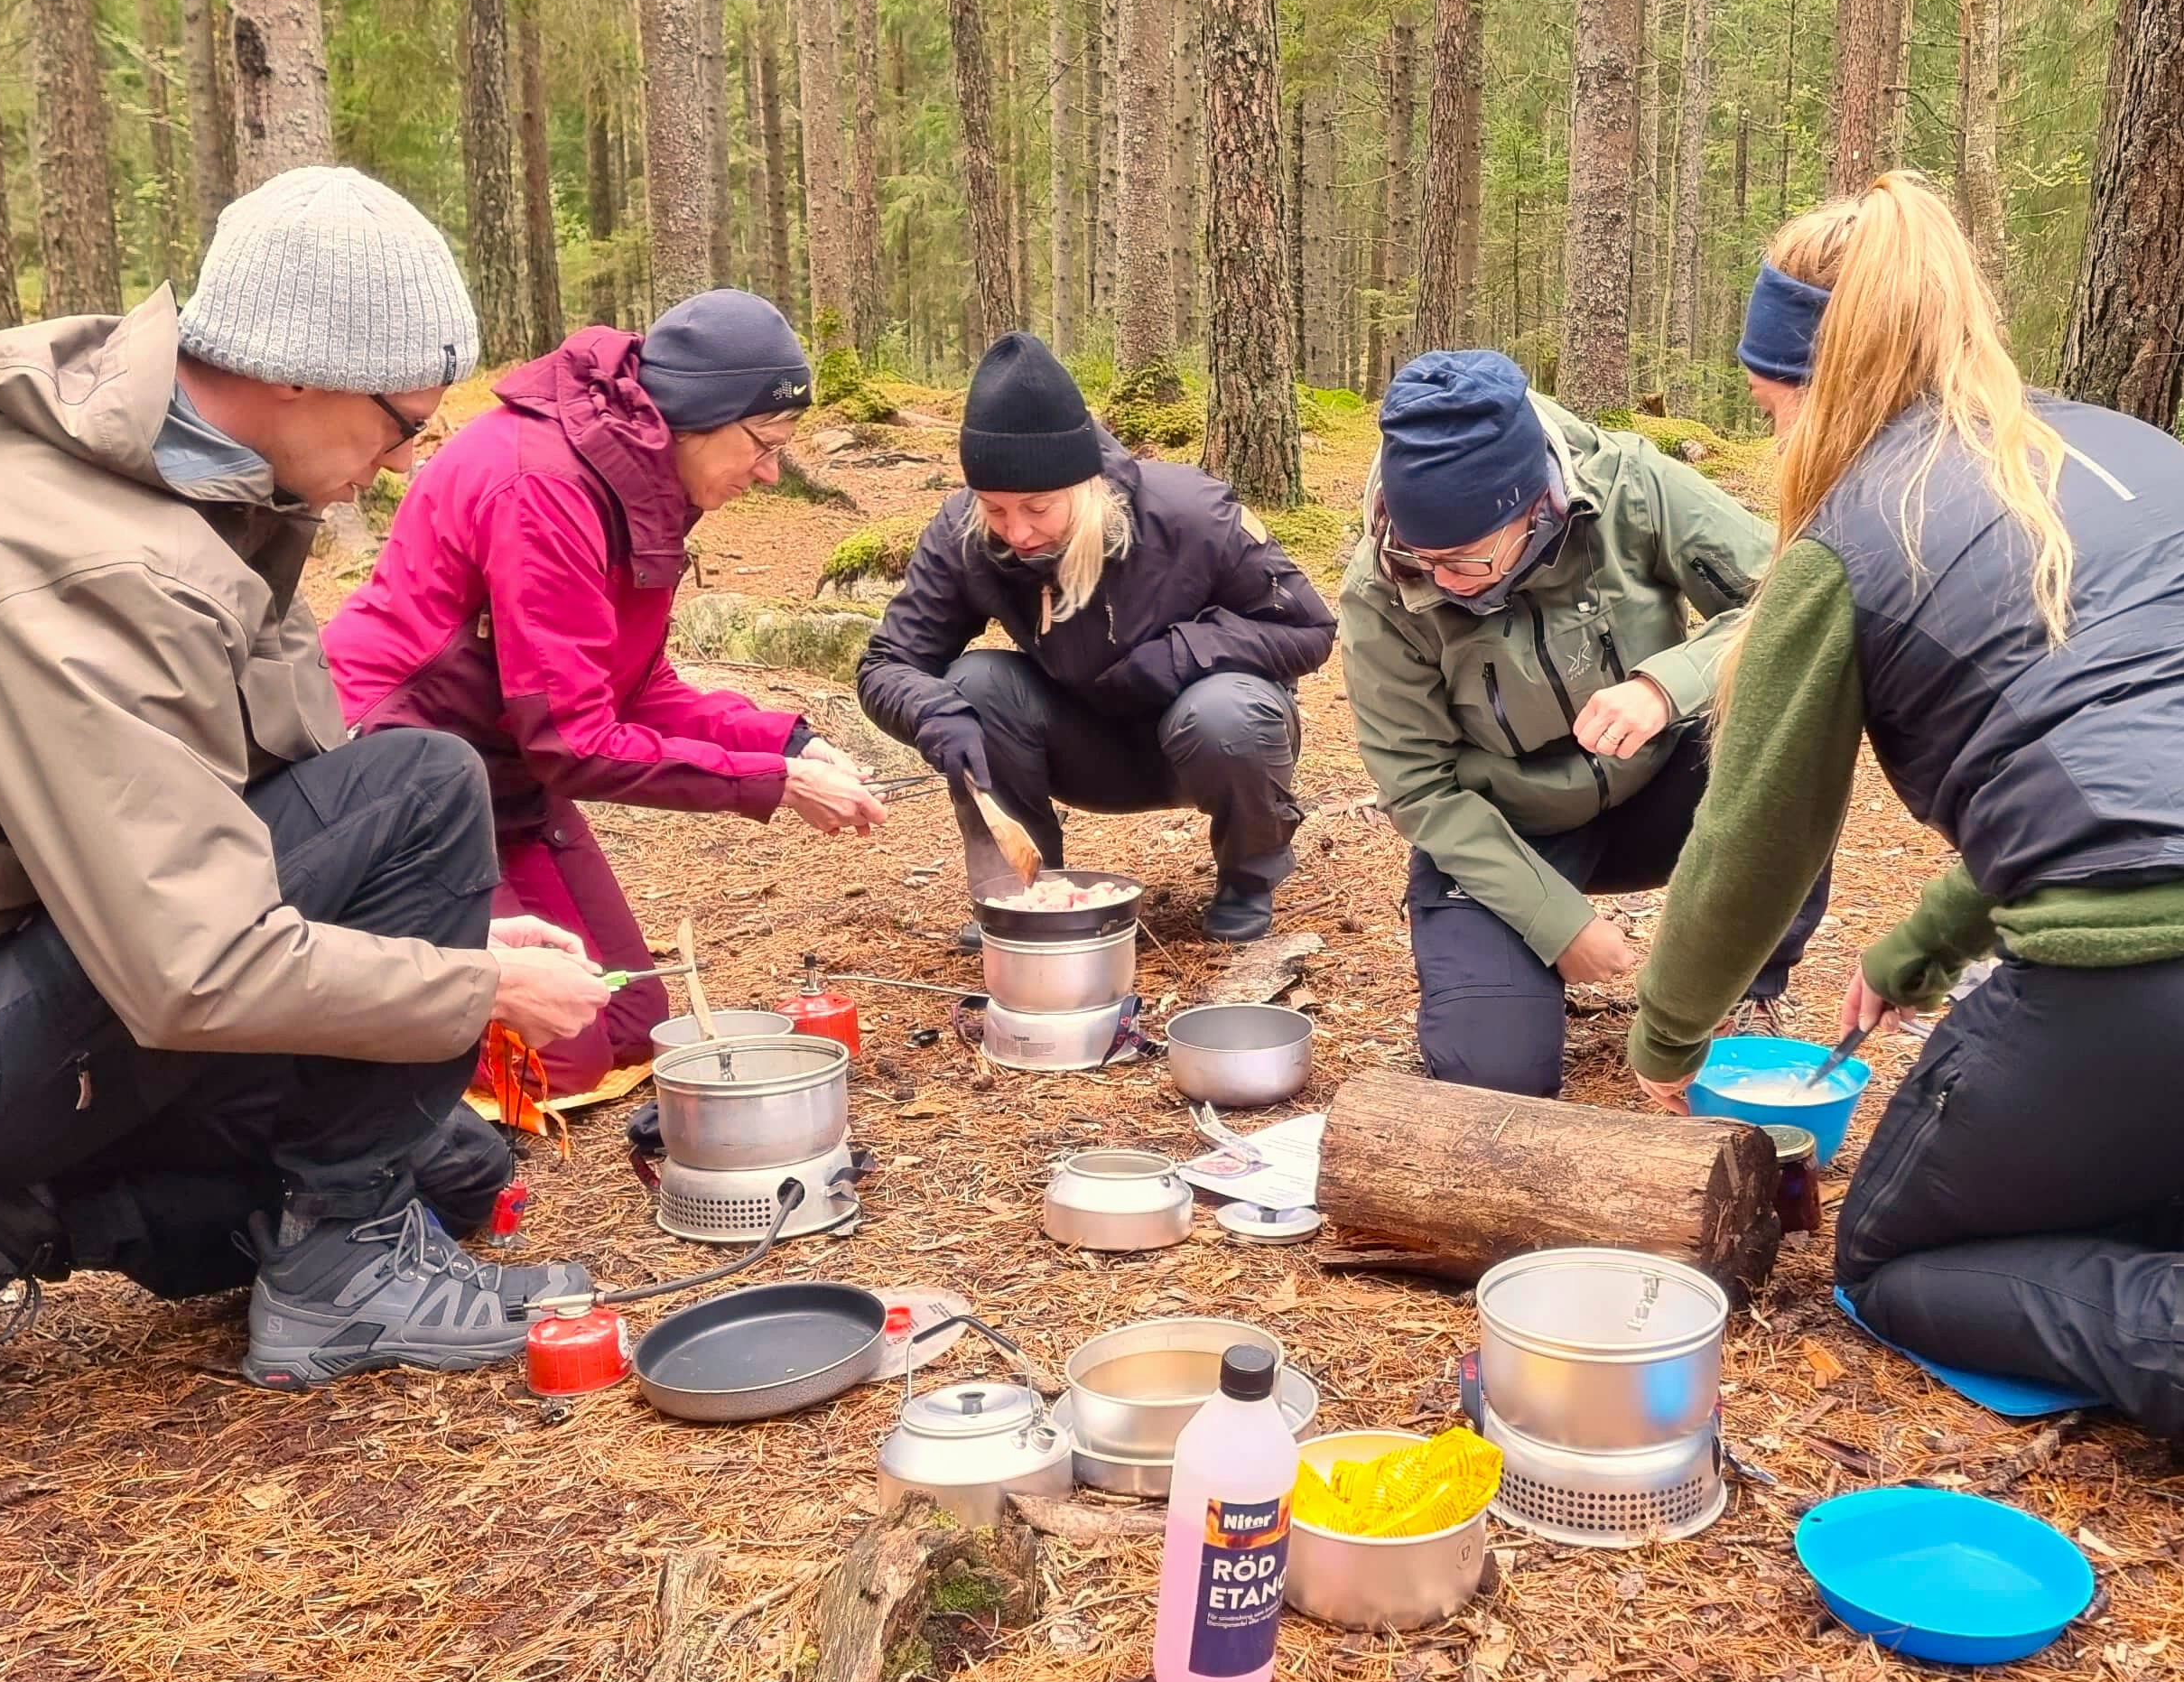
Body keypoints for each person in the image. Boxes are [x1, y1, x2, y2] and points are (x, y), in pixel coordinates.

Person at [1625, 173, 2184, 1622]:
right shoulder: (2128, 454)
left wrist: (1664, 1050)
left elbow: (1755, 840)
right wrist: (1923, 943)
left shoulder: (1850, 532)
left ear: (1818, 380)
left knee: (1897, 1254)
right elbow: (2154, 747)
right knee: (2127, 1170)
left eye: (1770, 405)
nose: (1774, 440)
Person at [0, 165, 620, 1408]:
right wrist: (477, 983)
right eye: (402, 421)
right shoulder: (85, 552)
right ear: (299, 370)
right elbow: (191, 969)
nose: (404, 459)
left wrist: (444, 939)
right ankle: (340, 1281)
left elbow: (281, 805)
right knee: (427, 787)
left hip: (33, 985)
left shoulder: (196, 491)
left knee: (454, 1168)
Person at [326, 291, 889, 1092]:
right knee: (554, 1060)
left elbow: (639, 685)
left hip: (510, 771)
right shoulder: (545, 488)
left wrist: (784, 742)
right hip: (403, 770)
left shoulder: (640, 484)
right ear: (695, 414)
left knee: (631, 1028)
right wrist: (776, 785)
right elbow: (576, 740)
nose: (770, 473)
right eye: (763, 444)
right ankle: (352, 999)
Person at [1340, 349, 1826, 1099]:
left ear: (1531, 507)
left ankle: (1753, 984)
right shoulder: (1382, 586)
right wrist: (1557, 924)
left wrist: (1667, 687)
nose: (1437, 580)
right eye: (1418, 555)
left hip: (1662, 783)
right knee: (1493, 1083)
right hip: (1505, 832)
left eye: (1462, 561)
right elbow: (1420, 790)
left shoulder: (1630, 485)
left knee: (1792, 728)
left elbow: (1791, 599)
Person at [857, 332, 1335, 943]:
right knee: (971, 686)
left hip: (1205, 743)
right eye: (995, 508)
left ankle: (1247, 878)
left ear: (1084, 487)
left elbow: (1308, 628)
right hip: (1081, 746)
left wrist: (1175, 657)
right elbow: (887, 663)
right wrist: (930, 712)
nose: (1017, 531)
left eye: (1038, 507)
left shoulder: (1189, 512)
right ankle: (1025, 893)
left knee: (1226, 712)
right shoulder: (964, 535)